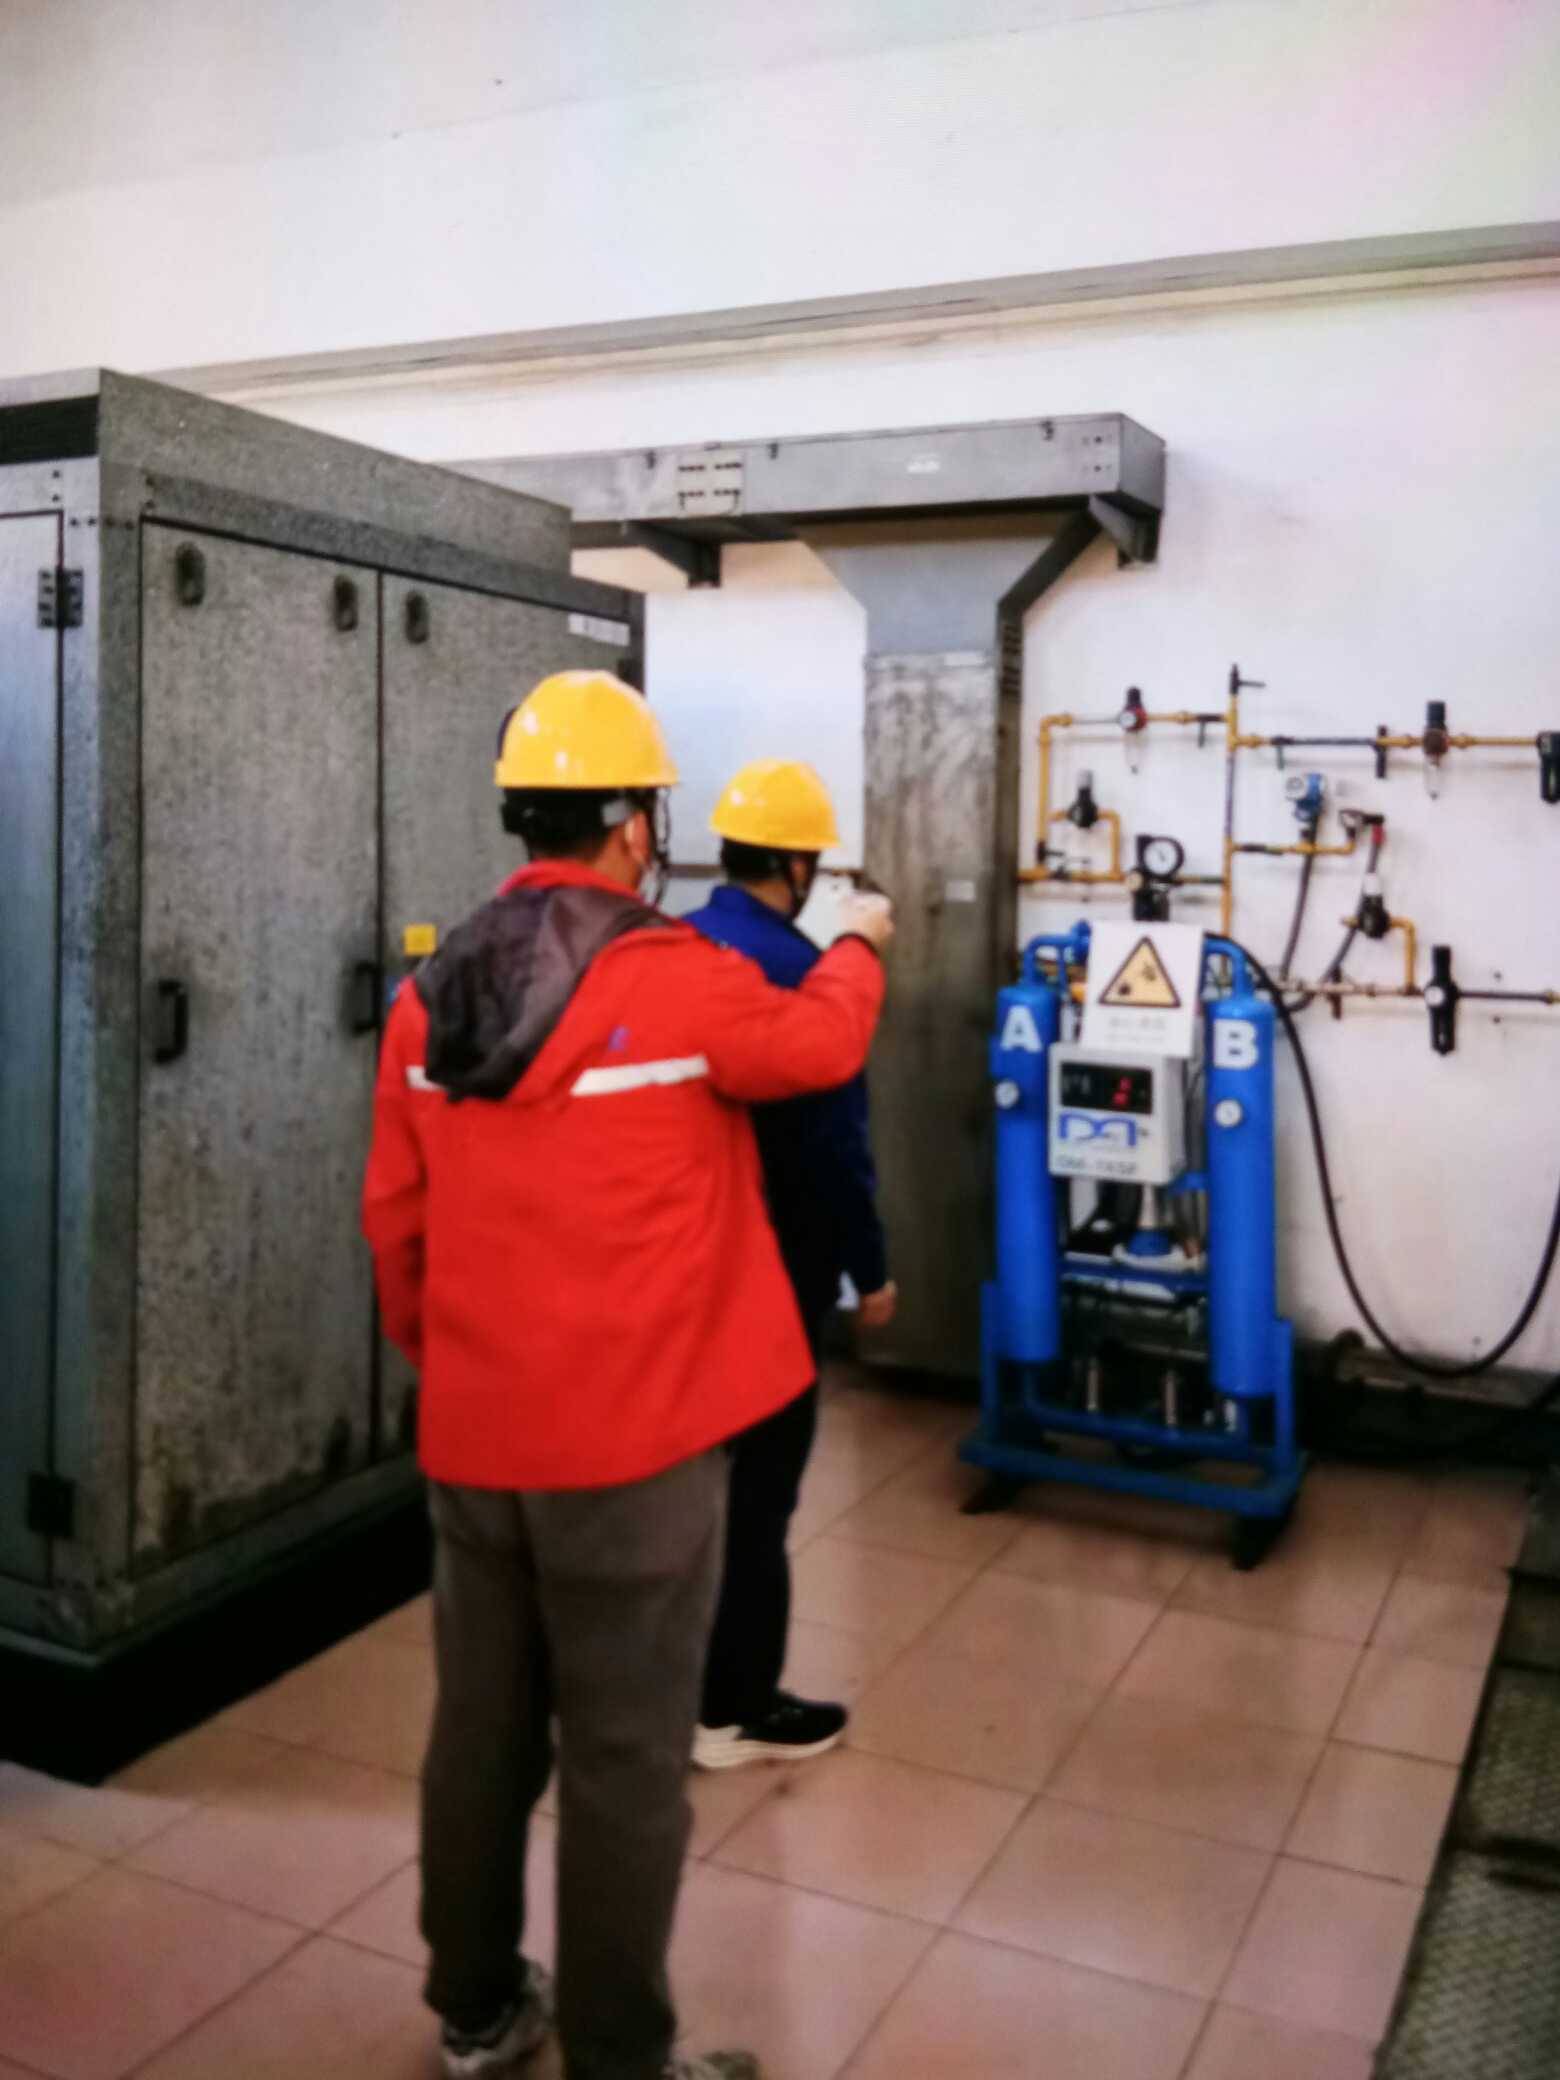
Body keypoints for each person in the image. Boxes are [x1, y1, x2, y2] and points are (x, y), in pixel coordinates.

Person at [362, 672, 892, 2080]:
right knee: (624, 1762)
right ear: (634, 826)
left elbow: (396, 1225)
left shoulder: (430, 995)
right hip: (636, 1453)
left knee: (479, 1736)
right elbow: (821, 1041)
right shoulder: (669, 976)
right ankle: (618, 2056)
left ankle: (478, 2008)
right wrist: (855, 942)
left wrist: (462, 1370)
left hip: (478, 1440)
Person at [683, 762, 896, 1771]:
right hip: (778, 1270)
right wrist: (872, 1268)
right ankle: (733, 1708)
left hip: (683, 1264)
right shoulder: (802, 974)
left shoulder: (675, 944)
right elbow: (835, 1144)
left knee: (687, 1484)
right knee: (762, 1490)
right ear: (799, 865)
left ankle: (668, 1680)